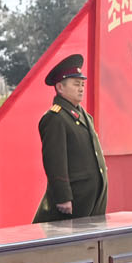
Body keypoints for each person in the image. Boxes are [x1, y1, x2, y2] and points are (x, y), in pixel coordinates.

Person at [33, 54, 108, 223]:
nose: (81, 88)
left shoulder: (84, 116)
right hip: (73, 200)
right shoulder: (56, 118)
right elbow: (55, 161)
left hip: (91, 199)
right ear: (60, 87)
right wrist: (63, 196)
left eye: (82, 84)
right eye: (76, 84)